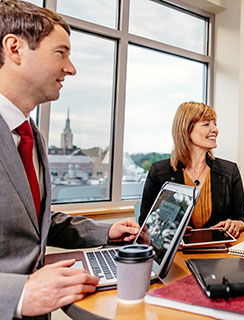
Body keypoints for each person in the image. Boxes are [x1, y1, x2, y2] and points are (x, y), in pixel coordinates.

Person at [0, 1, 140, 318]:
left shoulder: (29, 134)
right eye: (60, 53)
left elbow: (34, 223)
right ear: (15, 48)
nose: (71, 68)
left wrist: (104, 232)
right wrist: (16, 294)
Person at [139, 102, 244, 237]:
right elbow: (145, 223)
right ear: (186, 129)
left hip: (219, 254)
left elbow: (243, 218)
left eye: (215, 124)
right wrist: (168, 231)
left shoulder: (230, 171)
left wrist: (235, 224)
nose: (215, 129)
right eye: (206, 124)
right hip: (175, 254)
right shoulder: (159, 172)